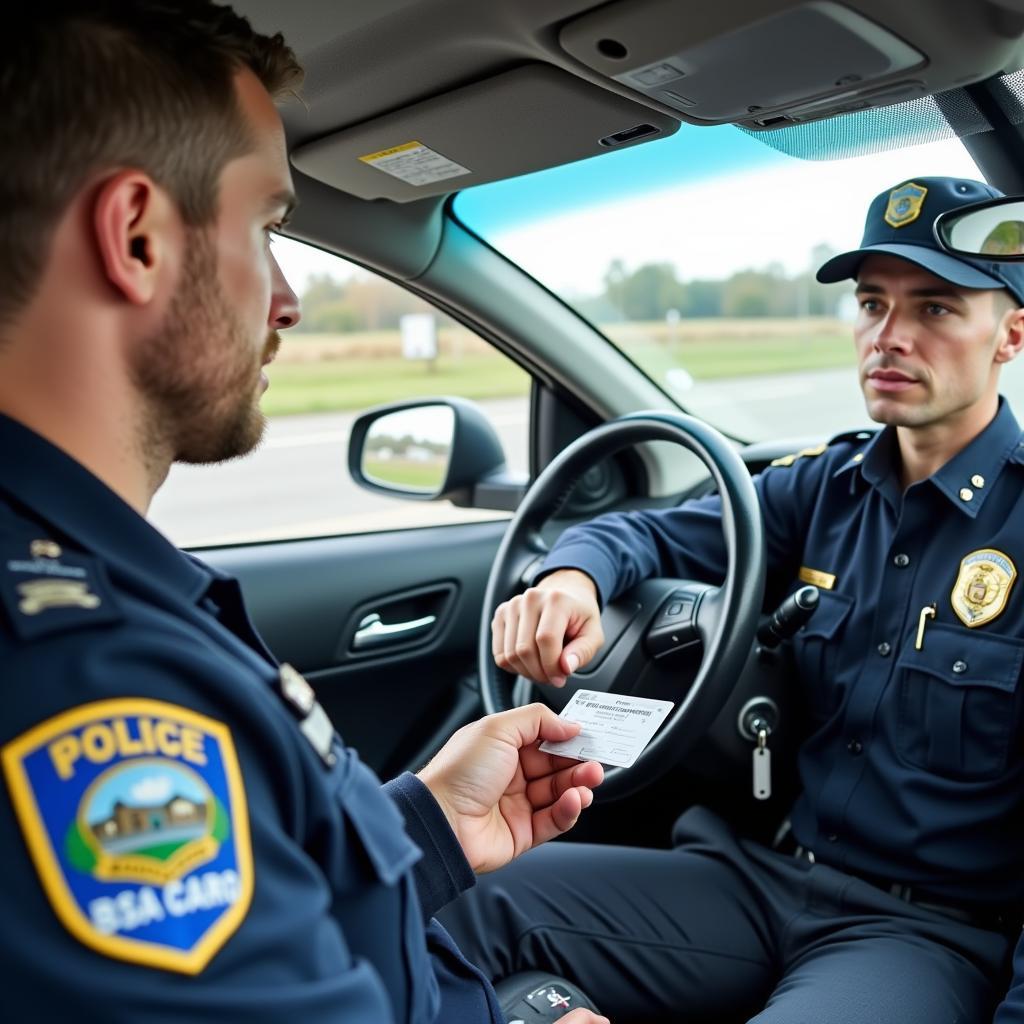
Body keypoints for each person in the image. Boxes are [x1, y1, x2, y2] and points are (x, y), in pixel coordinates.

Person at [0, 3, 609, 1021]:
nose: (286, 298)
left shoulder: (89, 590)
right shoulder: (90, 687)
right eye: (267, 226)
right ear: (137, 237)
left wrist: (425, 825)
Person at [439, 176, 1024, 1023]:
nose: (888, 337)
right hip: (756, 879)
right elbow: (653, 535)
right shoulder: (824, 488)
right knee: (451, 897)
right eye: (871, 304)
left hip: (919, 932)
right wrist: (570, 579)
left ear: (1010, 333)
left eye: (933, 309)